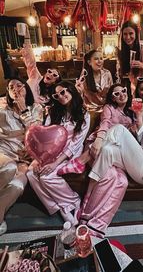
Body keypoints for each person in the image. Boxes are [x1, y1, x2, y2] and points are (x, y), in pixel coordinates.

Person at [27, 81, 90, 225]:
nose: (61, 96)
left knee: (46, 177)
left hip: (69, 153)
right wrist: (38, 159)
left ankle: (72, 201)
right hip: (50, 151)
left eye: (63, 92)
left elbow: (76, 144)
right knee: (31, 173)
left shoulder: (83, 114)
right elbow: (45, 137)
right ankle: (57, 205)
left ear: (71, 91)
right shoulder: (53, 112)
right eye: (56, 95)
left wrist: (56, 162)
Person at [57, 83, 135, 175]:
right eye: (116, 94)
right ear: (113, 98)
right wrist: (99, 139)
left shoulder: (131, 112)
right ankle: (80, 161)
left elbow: (132, 133)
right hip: (98, 143)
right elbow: (105, 123)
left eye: (123, 91)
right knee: (115, 131)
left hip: (118, 146)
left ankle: (80, 163)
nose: (121, 95)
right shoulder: (109, 108)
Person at [0, 77, 43, 235]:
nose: (15, 89)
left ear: (27, 89)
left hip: (25, 158)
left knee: (18, 185)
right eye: (11, 87)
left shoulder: (36, 108)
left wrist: (24, 109)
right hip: (3, 152)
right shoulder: (2, 106)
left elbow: (37, 134)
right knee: (9, 168)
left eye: (20, 86)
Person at [75, 49, 113, 132]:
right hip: (90, 110)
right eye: (96, 59)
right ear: (89, 62)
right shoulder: (85, 76)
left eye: (101, 58)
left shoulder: (107, 73)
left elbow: (111, 93)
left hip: (106, 108)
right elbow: (79, 96)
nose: (100, 61)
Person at [117, 20, 143, 93]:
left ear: (136, 34)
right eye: (125, 34)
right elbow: (119, 73)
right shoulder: (121, 51)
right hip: (131, 87)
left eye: (131, 33)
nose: (128, 37)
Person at [22, 29, 62, 105]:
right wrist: (27, 39)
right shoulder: (36, 77)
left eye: (54, 75)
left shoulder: (54, 94)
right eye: (49, 71)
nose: (50, 74)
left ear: (55, 81)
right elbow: (30, 61)